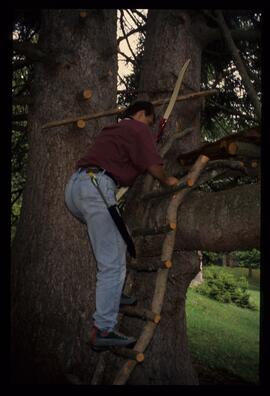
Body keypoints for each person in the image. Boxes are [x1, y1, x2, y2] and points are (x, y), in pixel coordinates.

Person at [64, 101, 179, 351]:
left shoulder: (114, 130)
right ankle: (103, 329)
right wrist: (166, 179)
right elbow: (152, 164)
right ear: (141, 114)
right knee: (112, 264)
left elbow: (133, 158)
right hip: (96, 188)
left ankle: (112, 294)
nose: (147, 127)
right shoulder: (138, 129)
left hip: (76, 189)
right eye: (149, 121)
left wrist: (151, 141)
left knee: (120, 235)